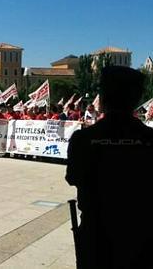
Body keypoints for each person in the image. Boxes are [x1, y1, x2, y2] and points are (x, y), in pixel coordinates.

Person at [66, 66, 153, 269]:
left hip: (97, 236)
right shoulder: (150, 139)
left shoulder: (83, 139)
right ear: (138, 97)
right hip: (142, 237)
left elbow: (73, 177)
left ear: (103, 97)